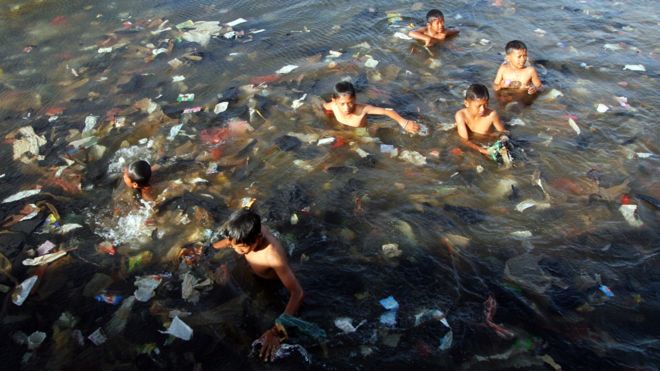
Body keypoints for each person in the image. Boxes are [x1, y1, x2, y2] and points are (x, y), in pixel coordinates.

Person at [211, 208, 304, 362]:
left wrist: (276, 332)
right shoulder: (246, 232)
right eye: (234, 246)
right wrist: (208, 249)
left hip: (270, 286)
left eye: (241, 248)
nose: (236, 249)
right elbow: (230, 240)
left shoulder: (272, 256)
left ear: (258, 238)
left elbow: (298, 294)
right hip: (252, 273)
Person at [322, 81, 420, 134]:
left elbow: (387, 111)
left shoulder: (362, 109)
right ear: (334, 101)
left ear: (355, 99)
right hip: (347, 129)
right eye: (342, 104)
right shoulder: (332, 105)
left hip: (362, 129)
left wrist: (403, 122)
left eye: (350, 103)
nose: (346, 108)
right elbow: (323, 106)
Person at [454, 84, 507, 157]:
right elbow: (464, 140)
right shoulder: (461, 115)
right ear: (466, 103)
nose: (482, 109)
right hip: (473, 143)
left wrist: (501, 142)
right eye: (478, 106)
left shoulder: (491, 115)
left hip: (486, 140)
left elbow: (504, 133)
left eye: (485, 105)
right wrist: (483, 151)